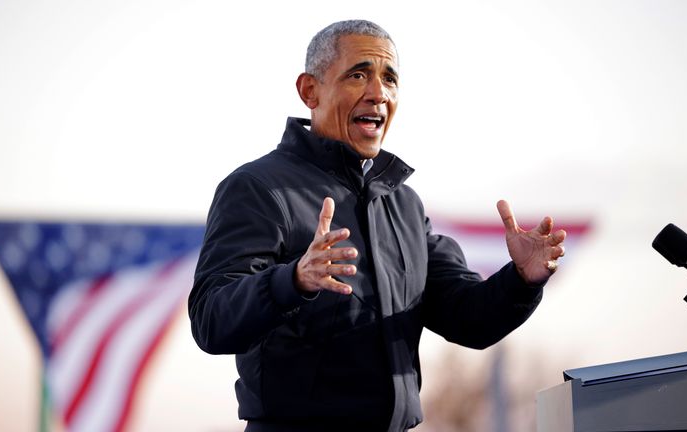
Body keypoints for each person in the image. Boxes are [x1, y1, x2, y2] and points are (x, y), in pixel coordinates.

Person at [188, 19, 566, 432]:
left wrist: (521, 281)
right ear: (309, 91)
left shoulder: (403, 203)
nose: (378, 93)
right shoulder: (257, 188)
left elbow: (467, 319)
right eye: (358, 74)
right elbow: (211, 320)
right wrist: (292, 280)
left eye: (389, 78)